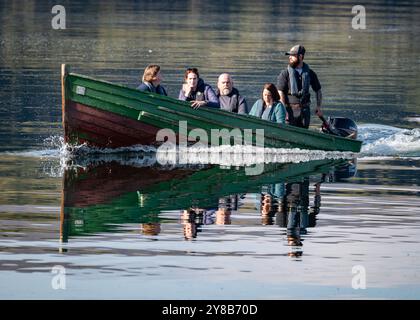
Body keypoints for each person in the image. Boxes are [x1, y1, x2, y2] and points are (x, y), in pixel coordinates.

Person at [277, 44, 323, 128]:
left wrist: (318, 107)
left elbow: (318, 90)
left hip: (305, 110)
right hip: (289, 111)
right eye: (289, 55)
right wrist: (283, 110)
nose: (289, 57)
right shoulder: (285, 73)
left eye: (292, 55)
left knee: (304, 133)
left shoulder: (310, 73)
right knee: (289, 133)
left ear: (300, 56)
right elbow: (280, 92)